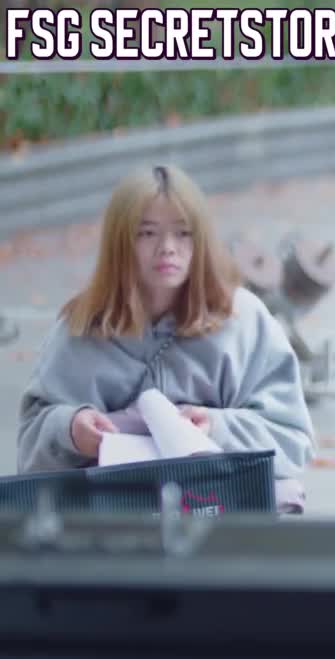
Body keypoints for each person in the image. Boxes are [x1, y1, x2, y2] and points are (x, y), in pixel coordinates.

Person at [16, 164, 316, 513]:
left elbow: (293, 440)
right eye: (147, 233)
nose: (167, 248)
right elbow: (29, 449)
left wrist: (217, 427)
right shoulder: (80, 327)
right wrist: (70, 430)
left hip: (221, 518)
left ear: (201, 241)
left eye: (183, 233)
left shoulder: (243, 321)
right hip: (106, 523)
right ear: (120, 243)